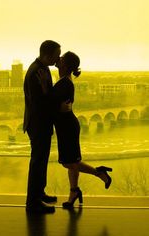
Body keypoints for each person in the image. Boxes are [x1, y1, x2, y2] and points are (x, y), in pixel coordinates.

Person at [52, 51, 113, 209]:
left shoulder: (65, 83)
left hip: (67, 126)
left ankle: (98, 173)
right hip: (65, 125)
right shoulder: (64, 81)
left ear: (65, 65)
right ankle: (74, 191)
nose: (59, 59)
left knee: (69, 163)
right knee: (72, 162)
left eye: (62, 58)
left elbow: (58, 106)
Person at [23, 40, 61, 214]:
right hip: (37, 123)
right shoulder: (35, 73)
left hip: (41, 123)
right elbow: (39, 102)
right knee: (37, 162)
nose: (58, 58)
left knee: (41, 160)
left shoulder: (42, 69)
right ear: (47, 55)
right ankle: (33, 203)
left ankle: (39, 193)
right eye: (56, 55)